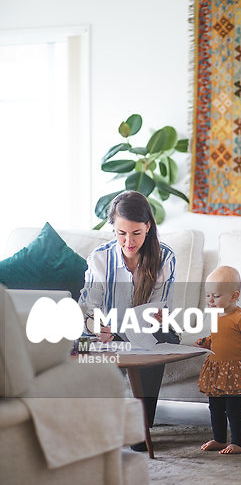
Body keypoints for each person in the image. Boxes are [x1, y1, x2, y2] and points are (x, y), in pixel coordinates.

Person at [78, 190, 179, 449]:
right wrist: (95, 326)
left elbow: (158, 309)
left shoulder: (165, 257)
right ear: (113, 228)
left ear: (148, 227)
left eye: (136, 233)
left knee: (161, 337)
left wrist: (153, 318)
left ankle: (139, 427)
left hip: (147, 332)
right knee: (76, 344)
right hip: (108, 333)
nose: (129, 242)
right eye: (121, 233)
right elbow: (88, 307)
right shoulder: (100, 257)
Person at [195, 265, 241, 454]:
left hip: (236, 373)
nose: (210, 300)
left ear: (234, 296)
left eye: (216, 296)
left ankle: (239, 442)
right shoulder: (216, 314)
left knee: (234, 409)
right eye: (207, 295)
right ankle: (219, 439)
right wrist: (206, 342)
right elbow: (217, 337)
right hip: (217, 371)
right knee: (215, 407)